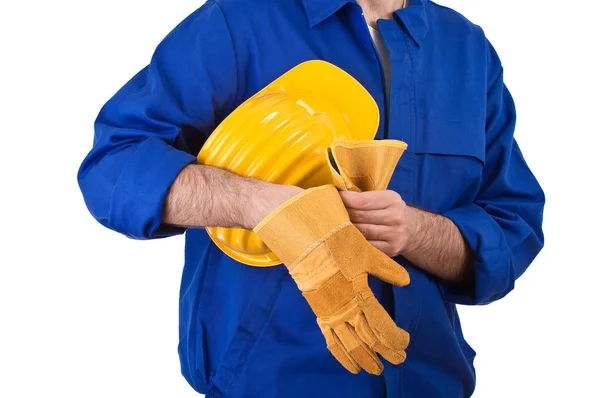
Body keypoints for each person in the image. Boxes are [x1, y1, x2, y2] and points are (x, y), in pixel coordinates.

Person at [77, 0, 545, 396]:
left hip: (432, 381)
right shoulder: (242, 20)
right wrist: (261, 206)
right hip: (265, 382)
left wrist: (415, 230)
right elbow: (114, 164)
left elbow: (512, 226)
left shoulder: (468, 49)